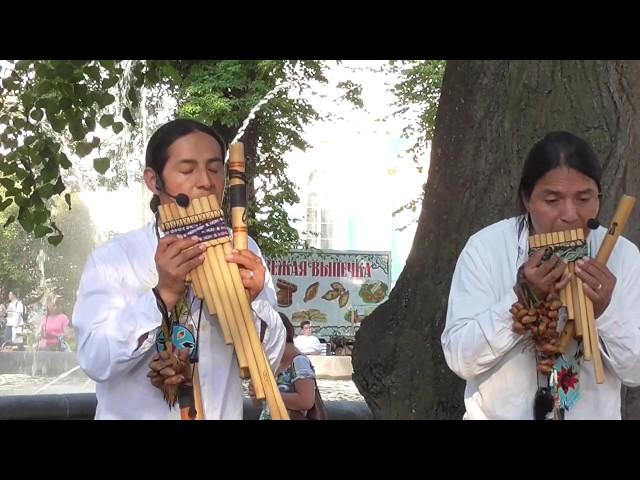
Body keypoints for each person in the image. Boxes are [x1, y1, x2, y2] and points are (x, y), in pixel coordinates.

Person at [73, 118, 286, 419]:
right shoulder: (114, 259)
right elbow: (95, 360)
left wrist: (250, 306)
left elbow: (269, 363)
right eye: (187, 170)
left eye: (215, 169)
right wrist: (161, 295)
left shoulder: (244, 248)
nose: (205, 182)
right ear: (153, 181)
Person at [441, 131, 640, 420]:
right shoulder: (486, 248)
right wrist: (520, 301)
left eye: (584, 198)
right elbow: (461, 359)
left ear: (599, 199)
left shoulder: (622, 256)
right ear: (527, 199)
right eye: (552, 199)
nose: (570, 214)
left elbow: (635, 372)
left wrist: (604, 314)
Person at [251, 313, 323, 420]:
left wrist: (269, 394)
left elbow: (306, 401)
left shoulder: (299, 362)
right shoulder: (273, 363)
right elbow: (258, 404)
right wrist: (255, 391)